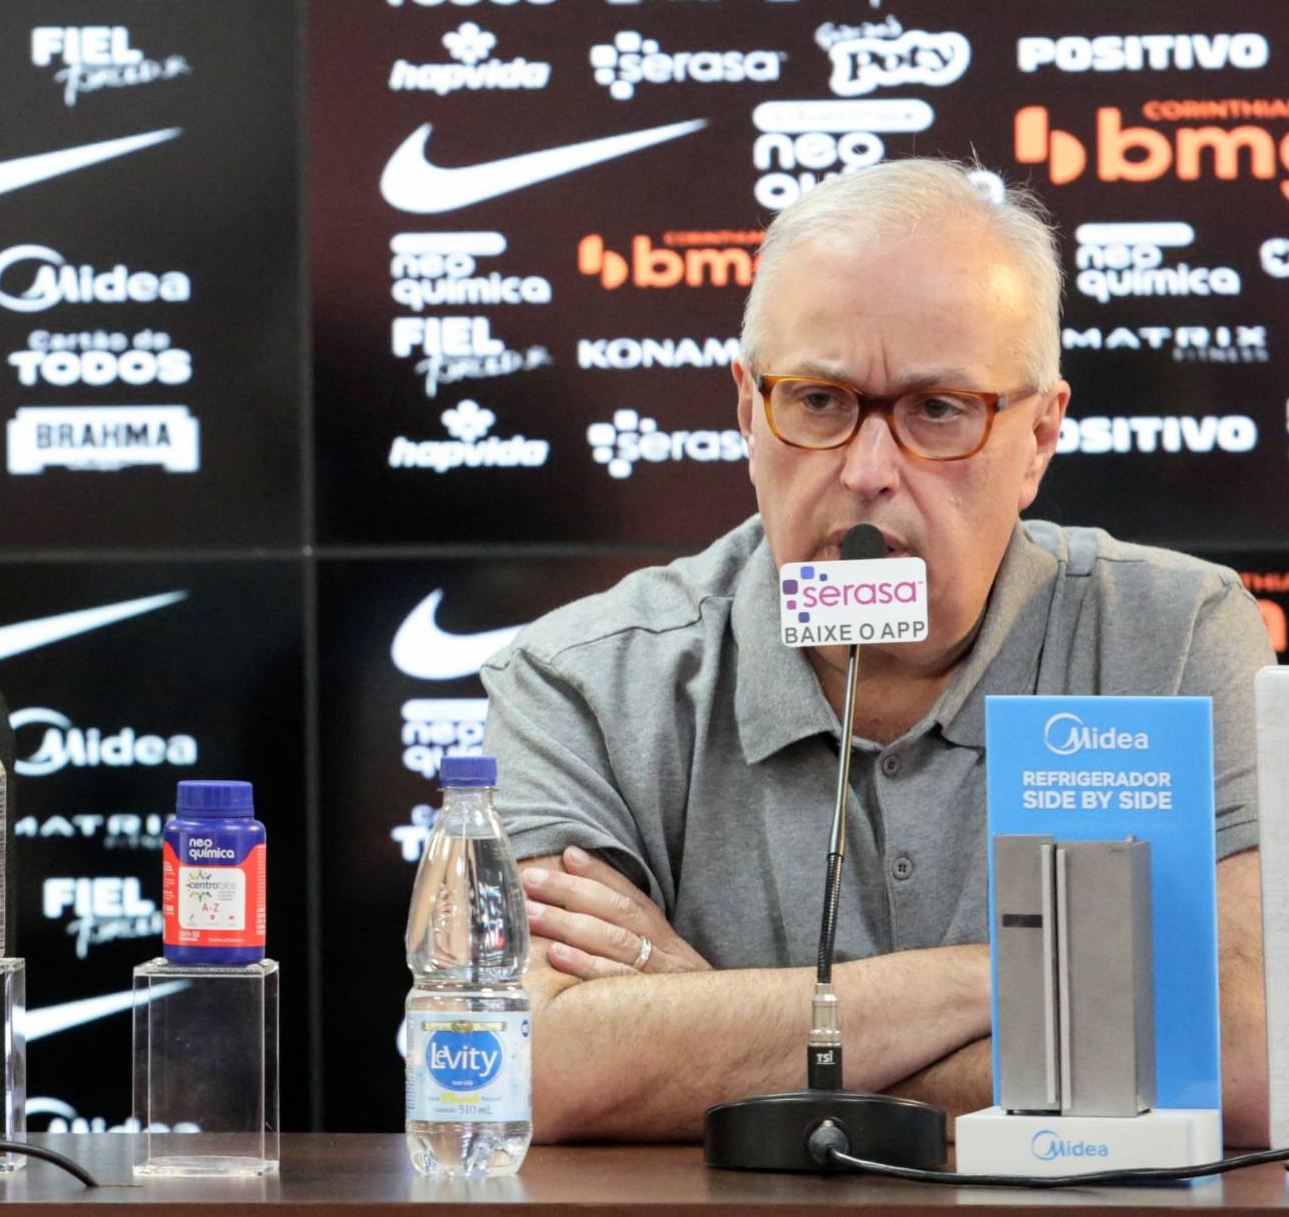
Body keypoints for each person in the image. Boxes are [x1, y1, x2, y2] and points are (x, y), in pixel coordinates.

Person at [483, 158, 1271, 1143]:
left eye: (938, 410)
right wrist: (1020, 978)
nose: (867, 472)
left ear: (1038, 437)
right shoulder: (584, 676)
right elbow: (531, 1065)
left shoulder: (1174, 636)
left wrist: (722, 1027)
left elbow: (1242, 1060)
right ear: (748, 412)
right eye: (818, 402)